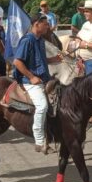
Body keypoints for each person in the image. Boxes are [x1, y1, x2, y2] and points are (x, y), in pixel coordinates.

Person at [13, 14, 59, 153]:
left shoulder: (40, 40)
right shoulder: (27, 40)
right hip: (30, 82)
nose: (48, 26)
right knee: (42, 106)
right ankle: (39, 140)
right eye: (45, 24)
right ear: (36, 24)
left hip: (44, 78)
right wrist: (31, 77)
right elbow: (17, 62)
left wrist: (54, 59)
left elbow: (40, 59)